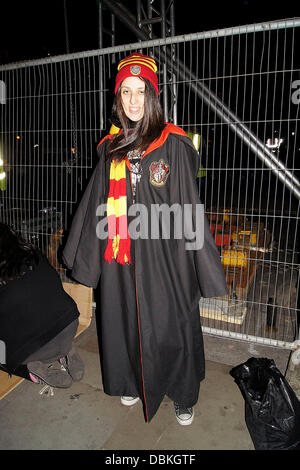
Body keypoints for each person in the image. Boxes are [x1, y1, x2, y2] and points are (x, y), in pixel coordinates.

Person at [63, 52, 227, 425]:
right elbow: (95, 205)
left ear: (153, 96)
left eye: (141, 92)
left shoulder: (173, 144)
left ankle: (183, 395)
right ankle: (131, 382)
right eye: (126, 92)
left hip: (166, 256)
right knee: (123, 321)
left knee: (175, 324)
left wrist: (201, 265)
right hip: (121, 255)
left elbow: (188, 204)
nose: (134, 101)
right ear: (117, 98)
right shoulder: (110, 147)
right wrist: (87, 257)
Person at [0, 222, 84, 388]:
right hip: (69, 324)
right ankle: (65, 350)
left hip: (36, 346)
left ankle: (30, 369)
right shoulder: (33, 253)